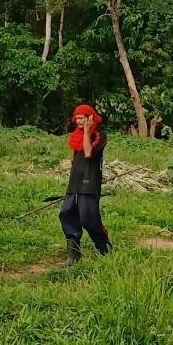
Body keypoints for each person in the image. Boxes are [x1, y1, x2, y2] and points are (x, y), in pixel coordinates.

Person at [59, 103, 112, 265]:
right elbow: (75, 159)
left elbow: (88, 153)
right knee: (67, 213)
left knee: (88, 218)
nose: (78, 121)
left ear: (90, 118)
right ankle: (73, 256)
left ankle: (104, 248)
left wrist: (87, 132)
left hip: (90, 183)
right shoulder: (77, 136)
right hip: (75, 182)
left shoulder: (99, 136)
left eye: (82, 118)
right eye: (77, 118)